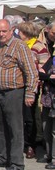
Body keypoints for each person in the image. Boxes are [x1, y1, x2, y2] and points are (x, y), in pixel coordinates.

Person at [0, 18, 38, 170]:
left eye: (4, 31)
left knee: (15, 129)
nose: (1, 34)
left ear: (11, 30)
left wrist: (30, 93)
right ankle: (2, 157)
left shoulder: (19, 46)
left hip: (13, 93)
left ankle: (17, 164)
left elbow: (31, 72)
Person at [17, 22, 49, 159]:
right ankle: (20, 141)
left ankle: (31, 144)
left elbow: (45, 67)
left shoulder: (38, 47)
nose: (18, 34)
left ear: (25, 33)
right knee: (19, 116)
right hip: (17, 85)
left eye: (20, 31)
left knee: (30, 116)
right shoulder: (19, 45)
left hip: (31, 85)